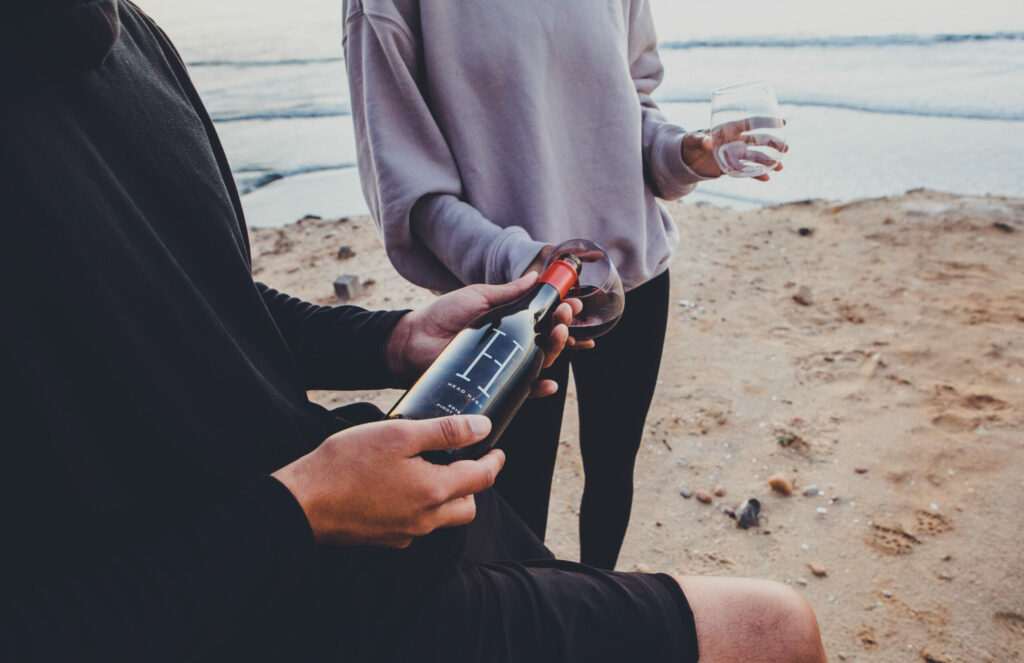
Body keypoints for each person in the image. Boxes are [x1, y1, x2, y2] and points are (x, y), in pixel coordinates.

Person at [0, 2, 823, 662]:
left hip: (601, 294)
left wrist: (391, 339)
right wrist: (300, 507)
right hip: (271, 589)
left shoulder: (137, 37)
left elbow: (208, 307)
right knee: (770, 627)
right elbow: (415, 194)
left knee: (600, 490)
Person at [344, 0, 787, 568]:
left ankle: (596, 604)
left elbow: (630, 110)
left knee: (613, 470)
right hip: (511, 303)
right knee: (511, 507)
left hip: (632, 277)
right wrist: (523, 262)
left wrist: (690, 153)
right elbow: (411, 189)